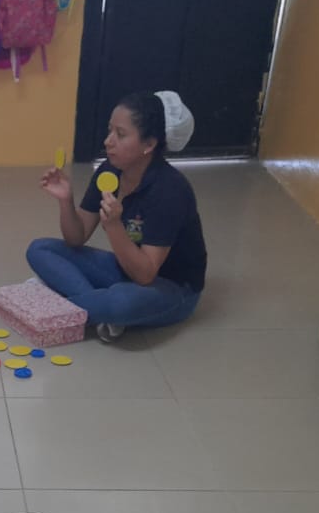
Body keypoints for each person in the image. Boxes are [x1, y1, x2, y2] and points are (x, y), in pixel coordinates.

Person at [26, 91, 207, 343]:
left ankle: (72, 307)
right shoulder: (110, 170)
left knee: (122, 301)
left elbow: (145, 275)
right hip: (126, 268)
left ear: (149, 144)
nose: (108, 141)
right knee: (40, 249)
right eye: (109, 130)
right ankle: (98, 309)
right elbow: (76, 238)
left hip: (171, 286)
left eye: (120, 134)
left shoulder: (169, 191)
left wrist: (113, 226)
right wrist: (65, 200)